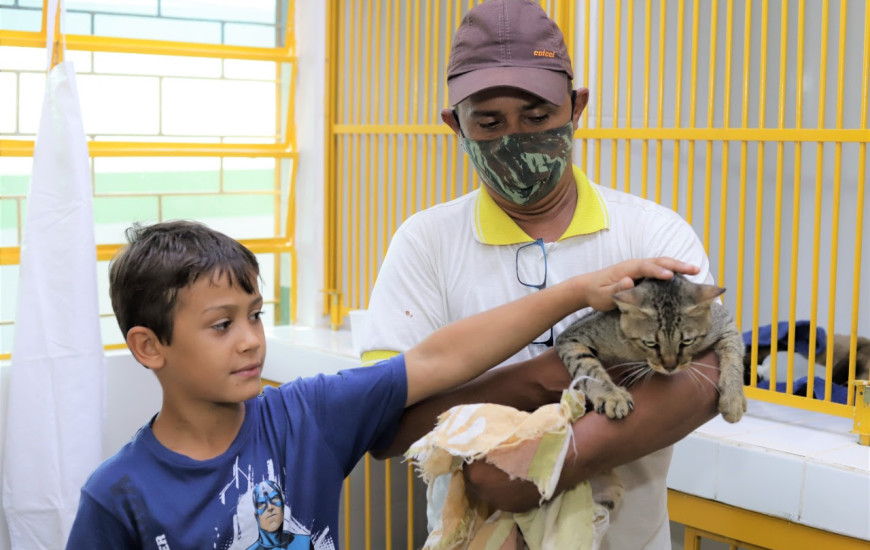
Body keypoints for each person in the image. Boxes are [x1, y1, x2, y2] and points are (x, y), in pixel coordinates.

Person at [64, 219, 696, 549]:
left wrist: (576, 294)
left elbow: (439, 359)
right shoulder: (117, 496)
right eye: (221, 325)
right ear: (150, 347)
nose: (251, 339)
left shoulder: (304, 417)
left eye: (255, 315)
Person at [360, 1, 722, 548]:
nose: (516, 137)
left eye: (537, 117)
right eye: (488, 121)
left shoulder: (651, 234)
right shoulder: (425, 244)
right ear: (453, 124)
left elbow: (701, 382)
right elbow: (384, 424)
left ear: (577, 108)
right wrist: (540, 378)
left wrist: (545, 469)